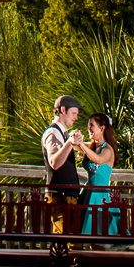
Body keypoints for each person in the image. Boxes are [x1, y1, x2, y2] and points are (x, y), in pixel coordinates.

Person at [40, 94, 84, 236]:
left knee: (70, 240)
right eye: (74, 113)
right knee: (63, 241)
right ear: (63, 110)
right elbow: (54, 162)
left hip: (67, 196)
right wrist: (70, 143)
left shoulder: (63, 134)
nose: (76, 118)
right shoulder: (52, 133)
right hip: (60, 197)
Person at [79, 111, 119, 237]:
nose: (88, 129)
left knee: (101, 233)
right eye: (88, 126)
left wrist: (80, 144)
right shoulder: (92, 147)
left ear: (102, 129)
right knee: (88, 234)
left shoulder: (108, 149)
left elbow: (98, 159)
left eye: (92, 126)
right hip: (88, 193)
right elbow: (75, 146)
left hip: (100, 195)